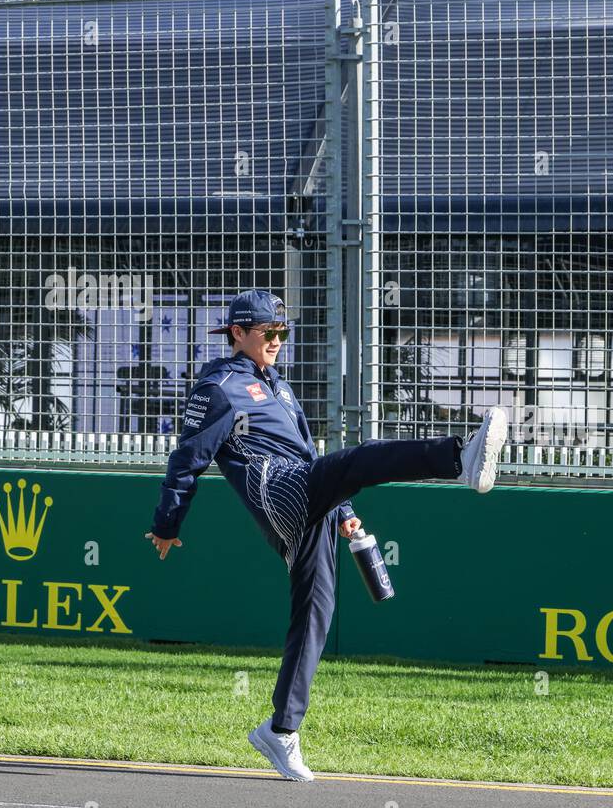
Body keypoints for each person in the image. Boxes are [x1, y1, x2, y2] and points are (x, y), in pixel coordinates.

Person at [144, 289, 506, 780]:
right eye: (266, 332)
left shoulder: (282, 388)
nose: (276, 340)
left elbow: (313, 459)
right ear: (237, 334)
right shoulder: (218, 387)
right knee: (359, 459)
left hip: (310, 492)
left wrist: (345, 512)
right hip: (277, 489)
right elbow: (188, 458)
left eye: (281, 333)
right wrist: (168, 523)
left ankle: (280, 730)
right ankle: (458, 456)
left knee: (318, 610)